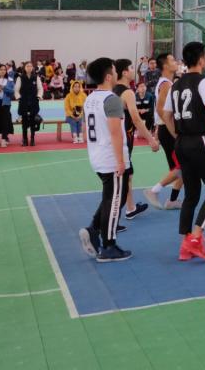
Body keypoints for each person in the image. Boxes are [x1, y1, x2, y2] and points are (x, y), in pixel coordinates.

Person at [170, 42, 205, 261]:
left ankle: (185, 245)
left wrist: (178, 133)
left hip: (181, 142)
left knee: (191, 194)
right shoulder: (203, 82)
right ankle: (195, 237)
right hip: (199, 140)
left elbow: (165, 114)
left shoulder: (176, 84)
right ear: (202, 59)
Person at [78, 57, 132, 263]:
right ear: (109, 76)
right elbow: (115, 132)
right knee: (114, 200)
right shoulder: (112, 99)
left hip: (97, 155)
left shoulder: (90, 98)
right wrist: (120, 161)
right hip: (110, 157)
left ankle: (93, 228)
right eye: (114, 70)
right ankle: (108, 245)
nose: (117, 73)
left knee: (113, 195)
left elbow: (85, 130)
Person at [114, 58, 161, 220]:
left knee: (127, 175)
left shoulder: (113, 90)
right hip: (124, 139)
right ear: (124, 72)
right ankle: (109, 218)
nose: (134, 70)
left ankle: (130, 208)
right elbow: (136, 118)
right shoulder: (127, 93)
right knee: (123, 175)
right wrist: (151, 139)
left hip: (117, 137)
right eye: (132, 67)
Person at [143, 53, 186, 211]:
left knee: (181, 168)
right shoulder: (166, 84)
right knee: (183, 167)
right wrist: (174, 132)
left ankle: (172, 200)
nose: (176, 62)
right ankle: (154, 191)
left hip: (166, 129)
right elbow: (161, 110)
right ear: (166, 66)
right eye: (173, 60)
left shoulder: (167, 83)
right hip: (169, 131)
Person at [15, 61, 43, 147]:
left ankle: (32, 139)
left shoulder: (36, 77)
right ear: (24, 68)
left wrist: (39, 96)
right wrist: (18, 97)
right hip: (23, 101)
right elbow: (16, 90)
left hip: (34, 101)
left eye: (31, 66)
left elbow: (40, 88)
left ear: (32, 68)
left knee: (32, 121)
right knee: (24, 122)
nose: (29, 67)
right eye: (27, 66)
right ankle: (24, 139)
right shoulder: (20, 78)